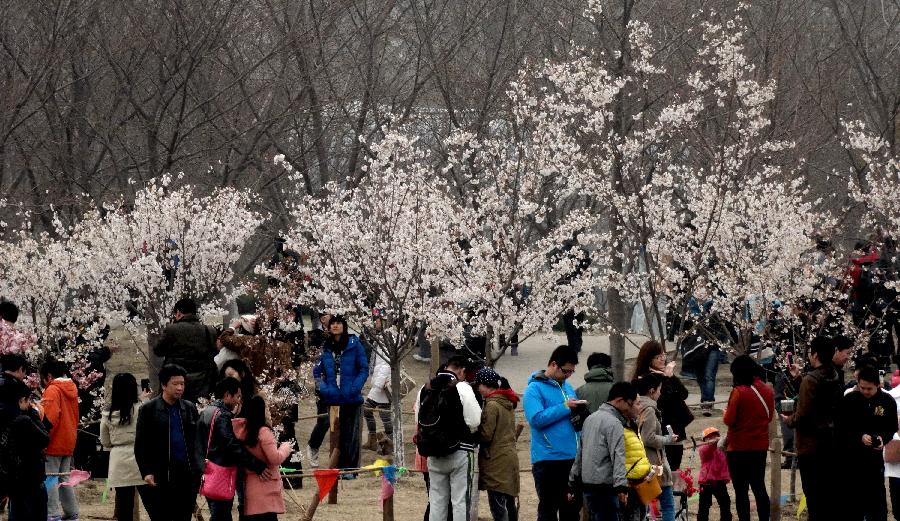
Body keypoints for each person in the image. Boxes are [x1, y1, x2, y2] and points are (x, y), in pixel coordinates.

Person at [782, 337, 841, 521]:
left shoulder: (811, 380)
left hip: (811, 445)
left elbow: (803, 414)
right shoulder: (834, 374)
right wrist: (799, 378)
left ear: (815, 354)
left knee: (814, 496)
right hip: (830, 443)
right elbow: (819, 397)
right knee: (827, 495)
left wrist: (789, 420)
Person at [416, 358, 482, 521]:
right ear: (462, 371)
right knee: (460, 502)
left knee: (437, 501)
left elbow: (420, 419)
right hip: (461, 451)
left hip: (433, 452)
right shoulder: (463, 388)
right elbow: (474, 421)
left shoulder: (425, 388)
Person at [135, 364, 202, 521]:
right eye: (175, 384)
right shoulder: (149, 410)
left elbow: (198, 441)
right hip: (161, 474)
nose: (180, 388)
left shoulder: (189, 408)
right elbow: (141, 444)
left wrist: (199, 467)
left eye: (182, 384)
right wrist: (146, 471)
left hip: (186, 474)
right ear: (164, 385)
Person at [523, 345, 583, 521]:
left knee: (572, 509)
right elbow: (536, 419)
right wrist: (565, 407)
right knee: (548, 509)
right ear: (554, 364)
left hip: (572, 457)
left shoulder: (568, 387)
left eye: (572, 372)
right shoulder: (534, 389)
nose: (568, 375)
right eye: (566, 371)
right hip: (548, 459)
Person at [198, 377, 270, 521]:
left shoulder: (207, 411)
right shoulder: (223, 416)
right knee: (221, 515)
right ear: (227, 395)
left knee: (218, 513)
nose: (238, 400)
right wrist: (257, 465)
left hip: (208, 470)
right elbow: (232, 446)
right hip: (221, 472)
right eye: (237, 396)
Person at [568, 382, 636, 521]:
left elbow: (580, 452)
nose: (631, 408)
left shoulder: (590, 419)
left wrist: (573, 481)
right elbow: (618, 455)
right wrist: (621, 487)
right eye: (630, 404)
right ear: (619, 401)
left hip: (588, 486)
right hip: (605, 486)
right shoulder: (614, 422)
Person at [838, 365, 898, 521]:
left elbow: (891, 427)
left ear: (877, 385)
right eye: (862, 387)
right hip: (851, 460)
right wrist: (859, 436)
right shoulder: (850, 400)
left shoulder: (887, 401)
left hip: (874, 461)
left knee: (876, 504)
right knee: (852, 505)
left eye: (869, 389)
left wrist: (882, 439)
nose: (865, 391)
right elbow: (841, 426)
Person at [310, 316, 368, 471]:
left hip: (351, 396)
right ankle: (336, 467)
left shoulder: (354, 344)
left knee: (351, 433)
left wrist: (354, 388)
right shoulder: (325, 347)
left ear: (344, 325)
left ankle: (349, 470)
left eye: (338, 323)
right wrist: (324, 388)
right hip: (332, 396)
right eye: (332, 323)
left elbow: (363, 368)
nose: (335, 326)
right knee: (335, 433)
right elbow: (316, 372)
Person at [722, 355, 774, 521]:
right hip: (759, 447)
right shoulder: (767, 390)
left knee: (741, 490)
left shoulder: (739, 392)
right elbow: (770, 417)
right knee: (759, 487)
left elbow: (729, 420)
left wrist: (725, 413)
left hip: (738, 448)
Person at [232, 395, 294, 520]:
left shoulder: (242, 431)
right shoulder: (263, 432)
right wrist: (285, 448)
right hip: (266, 487)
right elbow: (275, 458)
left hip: (250, 485)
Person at [631, 340, 691, 471]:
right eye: (658, 357)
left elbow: (684, 394)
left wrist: (671, 377)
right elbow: (661, 403)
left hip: (674, 429)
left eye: (663, 355)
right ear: (648, 359)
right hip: (658, 431)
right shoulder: (644, 380)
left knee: (675, 468)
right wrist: (666, 378)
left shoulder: (666, 375)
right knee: (662, 470)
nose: (662, 359)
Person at [0, 377, 49, 521]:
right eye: (28, 401)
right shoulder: (23, 420)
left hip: (12, 479)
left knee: (16, 512)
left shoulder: (5, 417)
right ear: (21, 400)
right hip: (30, 477)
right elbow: (44, 439)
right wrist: (34, 415)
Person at [474, 368, 520, 521]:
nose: (478, 389)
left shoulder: (492, 405)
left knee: (497, 504)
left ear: (485, 385)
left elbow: (486, 435)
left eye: (479, 385)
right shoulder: (507, 402)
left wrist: (473, 431)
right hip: (508, 457)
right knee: (509, 501)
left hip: (495, 460)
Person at [100, 373, 147, 521]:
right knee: (153, 504)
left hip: (119, 460)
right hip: (142, 460)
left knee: (124, 508)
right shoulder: (142, 409)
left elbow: (105, 441)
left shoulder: (107, 413)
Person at [154, 297, 219, 403]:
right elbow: (215, 352)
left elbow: (158, 351)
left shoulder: (172, 330)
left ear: (178, 312)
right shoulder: (209, 330)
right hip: (203, 384)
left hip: (176, 382)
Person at [41, 360, 80, 521]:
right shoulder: (72, 388)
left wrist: (41, 435)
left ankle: (52, 513)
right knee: (64, 479)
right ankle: (72, 513)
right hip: (69, 440)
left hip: (53, 442)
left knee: (50, 478)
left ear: (49, 376)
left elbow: (49, 418)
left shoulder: (52, 390)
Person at [635, 374, 678, 521]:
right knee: (667, 505)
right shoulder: (650, 410)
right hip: (655, 464)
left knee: (643, 506)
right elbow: (648, 438)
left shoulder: (636, 406)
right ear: (652, 391)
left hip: (640, 463)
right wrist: (668, 439)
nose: (660, 393)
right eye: (659, 389)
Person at [305, 313, 332, 467]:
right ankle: (313, 446)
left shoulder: (341, 336)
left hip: (340, 383)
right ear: (322, 319)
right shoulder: (315, 336)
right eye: (329, 316)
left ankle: (339, 458)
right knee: (324, 420)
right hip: (322, 383)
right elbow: (313, 357)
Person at [696, 427, 731, 521]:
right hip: (706, 482)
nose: (713, 438)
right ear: (704, 440)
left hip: (719, 481)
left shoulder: (721, 450)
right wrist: (714, 442)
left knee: (725, 503)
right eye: (709, 437)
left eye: (715, 435)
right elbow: (709, 448)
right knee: (704, 506)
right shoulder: (704, 449)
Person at [363, 346, 393, 455]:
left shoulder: (389, 336)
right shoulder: (380, 337)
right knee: (370, 411)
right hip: (380, 381)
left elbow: (387, 363)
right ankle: (373, 440)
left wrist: (378, 384)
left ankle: (389, 443)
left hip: (384, 383)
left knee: (381, 414)